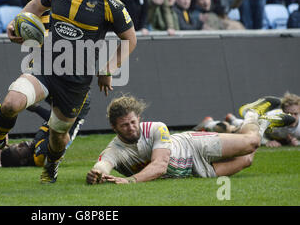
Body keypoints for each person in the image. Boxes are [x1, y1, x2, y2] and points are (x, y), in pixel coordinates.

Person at [0, 0, 137, 184]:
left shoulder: (111, 4)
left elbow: (130, 39)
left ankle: (52, 164)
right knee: (10, 103)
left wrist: (108, 70)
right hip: (47, 66)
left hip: (76, 82)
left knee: (58, 138)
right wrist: (16, 24)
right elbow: (35, 7)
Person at [86, 95, 294, 184]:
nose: (131, 128)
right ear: (114, 127)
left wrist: (129, 180)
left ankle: (251, 114)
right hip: (194, 171)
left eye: (133, 122)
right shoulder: (116, 148)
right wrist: (97, 174)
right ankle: (264, 123)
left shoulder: (157, 128)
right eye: (124, 125)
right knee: (247, 159)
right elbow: (104, 163)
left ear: (139, 118)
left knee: (252, 143)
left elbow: (160, 166)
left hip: (193, 145)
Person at [0, 95, 91, 167]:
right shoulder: (40, 155)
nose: (23, 143)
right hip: (76, 110)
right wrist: (36, 108)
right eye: (19, 149)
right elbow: (57, 122)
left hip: (66, 108)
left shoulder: (35, 145)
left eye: (18, 144)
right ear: (23, 161)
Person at [195, 92, 300, 148]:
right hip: (257, 128)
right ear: (282, 111)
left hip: (254, 127)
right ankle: (209, 123)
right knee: (231, 130)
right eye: (289, 114)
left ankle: (232, 118)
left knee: (240, 127)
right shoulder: (274, 116)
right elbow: (254, 128)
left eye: (296, 114)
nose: (292, 117)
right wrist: (267, 141)